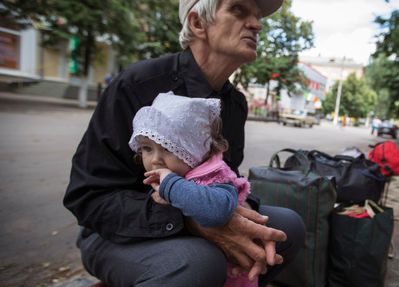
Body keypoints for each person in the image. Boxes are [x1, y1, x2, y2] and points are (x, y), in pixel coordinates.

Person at [63, 0, 305, 286]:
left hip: (198, 213)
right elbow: (88, 198)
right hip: (115, 232)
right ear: (197, 23)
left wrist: (243, 207)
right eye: (239, 10)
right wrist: (191, 221)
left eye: (258, 15)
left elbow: (223, 175)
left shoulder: (234, 104)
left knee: (286, 228)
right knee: (200, 263)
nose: (256, 24)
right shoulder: (137, 84)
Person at [130, 91, 258, 286]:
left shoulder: (213, 176)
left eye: (168, 148)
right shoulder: (174, 174)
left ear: (194, 149)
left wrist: (171, 186)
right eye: (147, 148)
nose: (155, 159)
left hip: (231, 278)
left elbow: (218, 211)